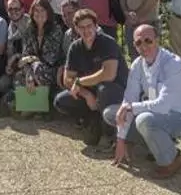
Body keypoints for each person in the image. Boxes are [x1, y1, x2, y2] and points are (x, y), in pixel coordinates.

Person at [104, 24, 181, 179]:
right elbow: (129, 98)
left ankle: (172, 160)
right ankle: (157, 144)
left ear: (157, 40)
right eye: (138, 43)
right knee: (111, 113)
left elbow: (162, 105)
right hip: (159, 114)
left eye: (148, 40)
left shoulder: (172, 64)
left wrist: (130, 107)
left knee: (144, 120)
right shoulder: (138, 64)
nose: (143, 46)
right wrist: (121, 139)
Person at [55, 9, 128, 146]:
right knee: (61, 100)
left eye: (89, 26)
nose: (86, 30)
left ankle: (110, 134)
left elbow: (109, 74)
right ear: (76, 29)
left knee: (104, 90)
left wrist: (80, 81)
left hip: (115, 90)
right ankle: (92, 119)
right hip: (91, 91)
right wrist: (86, 94)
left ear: (96, 26)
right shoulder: (75, 47)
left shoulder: (108, 43)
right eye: (81, 27)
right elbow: (67, 79)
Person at [11, 0, 65, 99]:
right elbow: (25, 55)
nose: (39, 13)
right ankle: (28, 101)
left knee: (38, 68)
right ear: (32, 13)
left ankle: (46, 96)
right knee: (19, 75)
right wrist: (29, 73)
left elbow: (50, 59)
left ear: (48, 12)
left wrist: (30, 59)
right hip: (34, 68)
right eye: (36, 10)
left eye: (42, 10)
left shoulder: (56, 30)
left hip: (53, 71)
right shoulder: (29, 30)